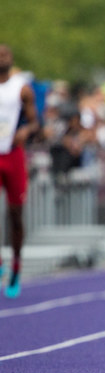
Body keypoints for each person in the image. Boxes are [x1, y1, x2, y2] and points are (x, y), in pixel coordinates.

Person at [0, 44, 39, 299]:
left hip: (13, 155)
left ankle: (15, 265)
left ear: (11, 59)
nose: (2, 58)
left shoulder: (21, 88)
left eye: (5, 54)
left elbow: (35, 120)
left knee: (15, 214)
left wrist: (26, 130)